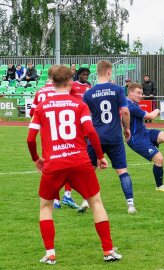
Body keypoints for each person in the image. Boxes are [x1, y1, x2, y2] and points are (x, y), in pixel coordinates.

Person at [26, 65, 122, 264]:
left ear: (52, 82)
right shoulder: (78, 104)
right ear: (71, 82)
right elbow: (91, 132)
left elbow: (30, 139)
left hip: (54, 163)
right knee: (96, 203)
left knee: (45, 207)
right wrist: (99, 156)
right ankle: (108, 251)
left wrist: (37, 159)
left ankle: (50, 254)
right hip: (79, 161)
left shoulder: (42, 107)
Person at [79, 60, 136, 214]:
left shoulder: (88, 93)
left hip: (96, 137)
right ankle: (130, 205)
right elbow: (125, 111)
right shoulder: (117, 89)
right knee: (122, 171)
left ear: (97, 73)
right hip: (114, 136)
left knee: (90, 170)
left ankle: (85, 201)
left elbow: (83, 116)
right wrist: (127, 128)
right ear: (109, 72)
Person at [29, 66, 79, 209]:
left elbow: (32, 112)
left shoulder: (40, 92)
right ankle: (67, 195)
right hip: (66, 132)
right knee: (68, 161)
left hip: (47, 132)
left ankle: (56, 199)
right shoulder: (64, 89)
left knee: (52, 165)